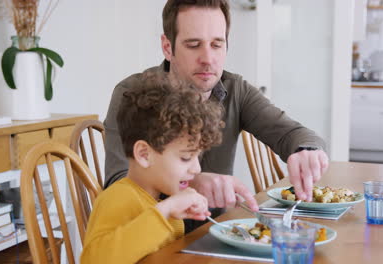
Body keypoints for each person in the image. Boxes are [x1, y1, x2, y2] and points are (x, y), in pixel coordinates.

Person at [104, 0, 329, 232]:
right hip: (150, 241)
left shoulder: (236, 90)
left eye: (217, 45)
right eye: (193, 45)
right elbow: (117, 183)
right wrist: (188, 183)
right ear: (167, 47)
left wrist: (306, 152)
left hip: (215, 236)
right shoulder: (132, 94)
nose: (208, 59)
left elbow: (294, 134)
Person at [81, 73, 224, 263]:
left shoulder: (160, 198)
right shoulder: (118, 198)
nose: (196, 168)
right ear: (144, 155)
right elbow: (95, 260)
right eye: (186, 157)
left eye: (197, 157)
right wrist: (166, 210)